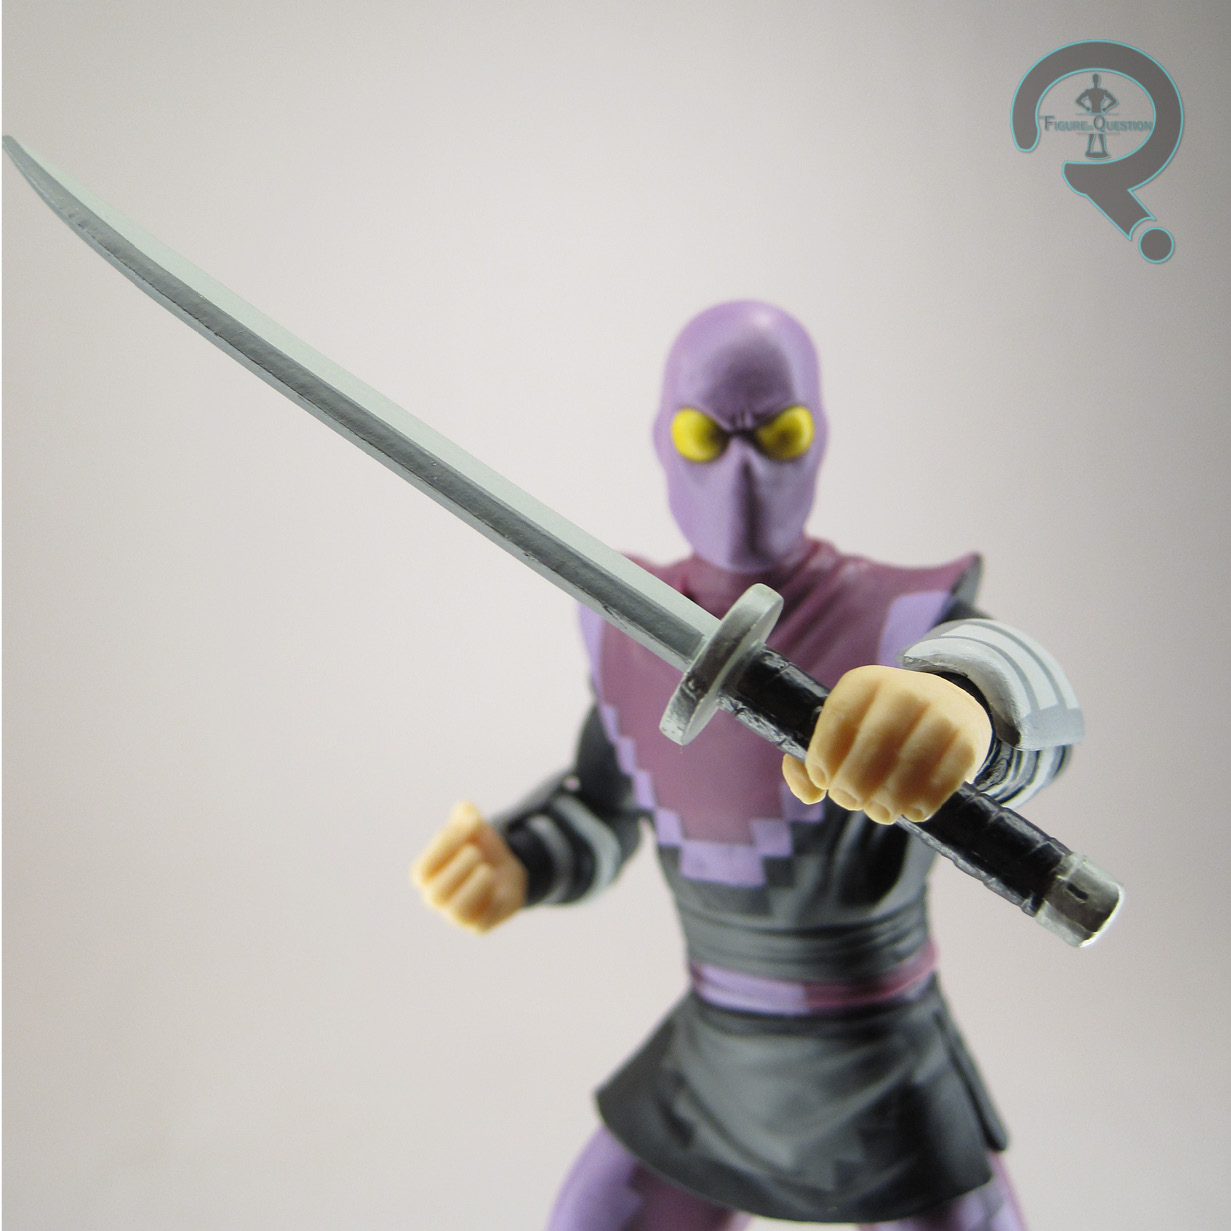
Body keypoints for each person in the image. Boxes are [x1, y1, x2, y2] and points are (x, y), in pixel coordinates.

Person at [412, 302, 1080, 1229]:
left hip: (878, 1054)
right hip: (712, 1052)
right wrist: (521, 857)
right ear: (661, 440)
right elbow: (605, 803)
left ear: (818, 438)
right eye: (706, 437)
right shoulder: (630, 629)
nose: (741, 474)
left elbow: (1035, 702)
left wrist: (960, 705)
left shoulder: (902, 622)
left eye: (778, 435)